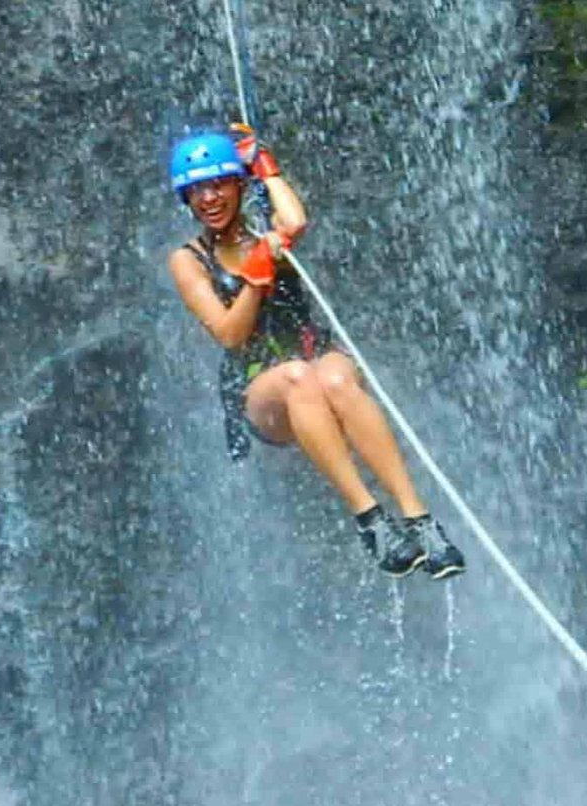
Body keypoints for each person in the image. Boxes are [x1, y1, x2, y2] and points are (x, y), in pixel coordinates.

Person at [166, 126, 465, 580]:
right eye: (196, 190)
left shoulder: (267, 235)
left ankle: (419, 521)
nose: (208, 198)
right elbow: (229, 334)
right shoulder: (188, 259)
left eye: (218, 183)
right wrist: (256, 278)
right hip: (260, 383)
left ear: (238, 184)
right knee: (297, 378)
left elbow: (295, 221)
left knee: (335, 378)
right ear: (185, 199)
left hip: (314, 353)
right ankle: (370, 520)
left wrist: (264, 165)